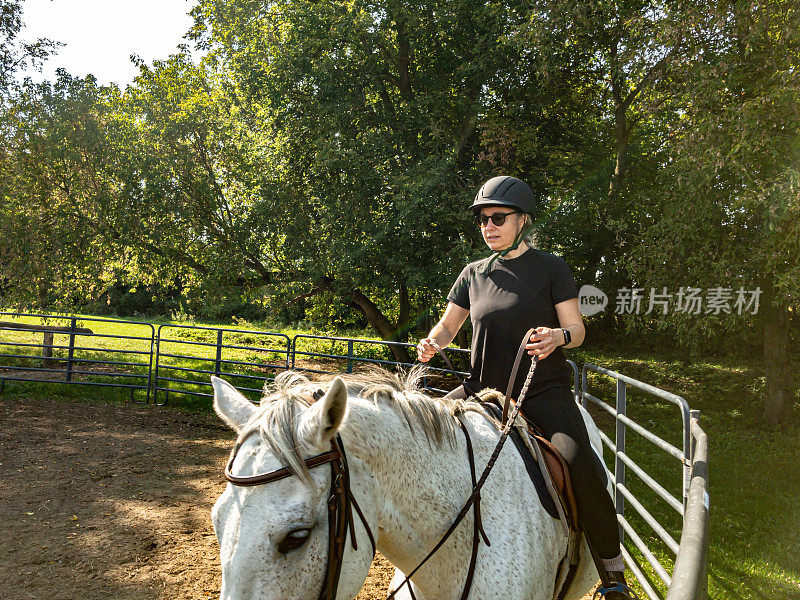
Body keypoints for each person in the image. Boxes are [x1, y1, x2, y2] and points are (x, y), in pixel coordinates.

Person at [417, 175, 633, 599]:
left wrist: (557, 337)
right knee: (422, 437)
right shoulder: (472, 275)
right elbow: (447, 327)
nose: (488, 226)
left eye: (498, 217)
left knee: (583, 465)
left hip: (542, 392)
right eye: (482, 219)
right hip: (482, 391)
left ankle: (612, 577)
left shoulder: (552, 269)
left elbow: (577, 328)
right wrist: (432, 342)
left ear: (523, 221)